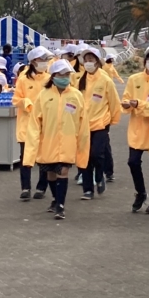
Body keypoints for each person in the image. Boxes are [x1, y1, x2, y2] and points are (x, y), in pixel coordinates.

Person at [23, 59, 90, 220]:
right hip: (48, 142)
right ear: (53, 76)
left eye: (67, 74)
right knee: (51, 174)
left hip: (67, 142)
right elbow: (35, 122)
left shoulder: (76, 95)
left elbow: (83, 122)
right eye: (61, 74)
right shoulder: (43, 96)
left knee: (64, 171)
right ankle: (55, 198)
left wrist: (82, 143)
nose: (65, 77)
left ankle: (60, 205)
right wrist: (32, 146)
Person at [122, 45, 149, 213]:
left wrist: (138, 104)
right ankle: (140, 193)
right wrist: (127, 104)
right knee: (133, 162)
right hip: (137, 129)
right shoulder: (134, 79)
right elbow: (126, 99)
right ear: (144, 61)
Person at [77, 46, 122, 200]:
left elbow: (114, 102)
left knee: (97, 154)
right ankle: (88, 189)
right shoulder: (80, 80)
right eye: (86, 60)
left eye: (92, 60)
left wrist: (113, 120)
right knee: (84, 157)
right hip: (82, 125)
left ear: (97, 61)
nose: (89, 63)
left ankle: (100, 176)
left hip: (100, 123)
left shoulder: (105, 80)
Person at [13, 46, 51, 201]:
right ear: (34, 61)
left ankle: (42, 187)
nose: (45, 62)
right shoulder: (23, 79)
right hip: (26, 124)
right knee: (25, 157)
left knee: (43, 157)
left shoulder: (50, 79)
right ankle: (25, 187)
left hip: (45, 124)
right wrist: (27, 103)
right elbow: (16, 99)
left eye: (46, 59)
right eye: (42, 59)